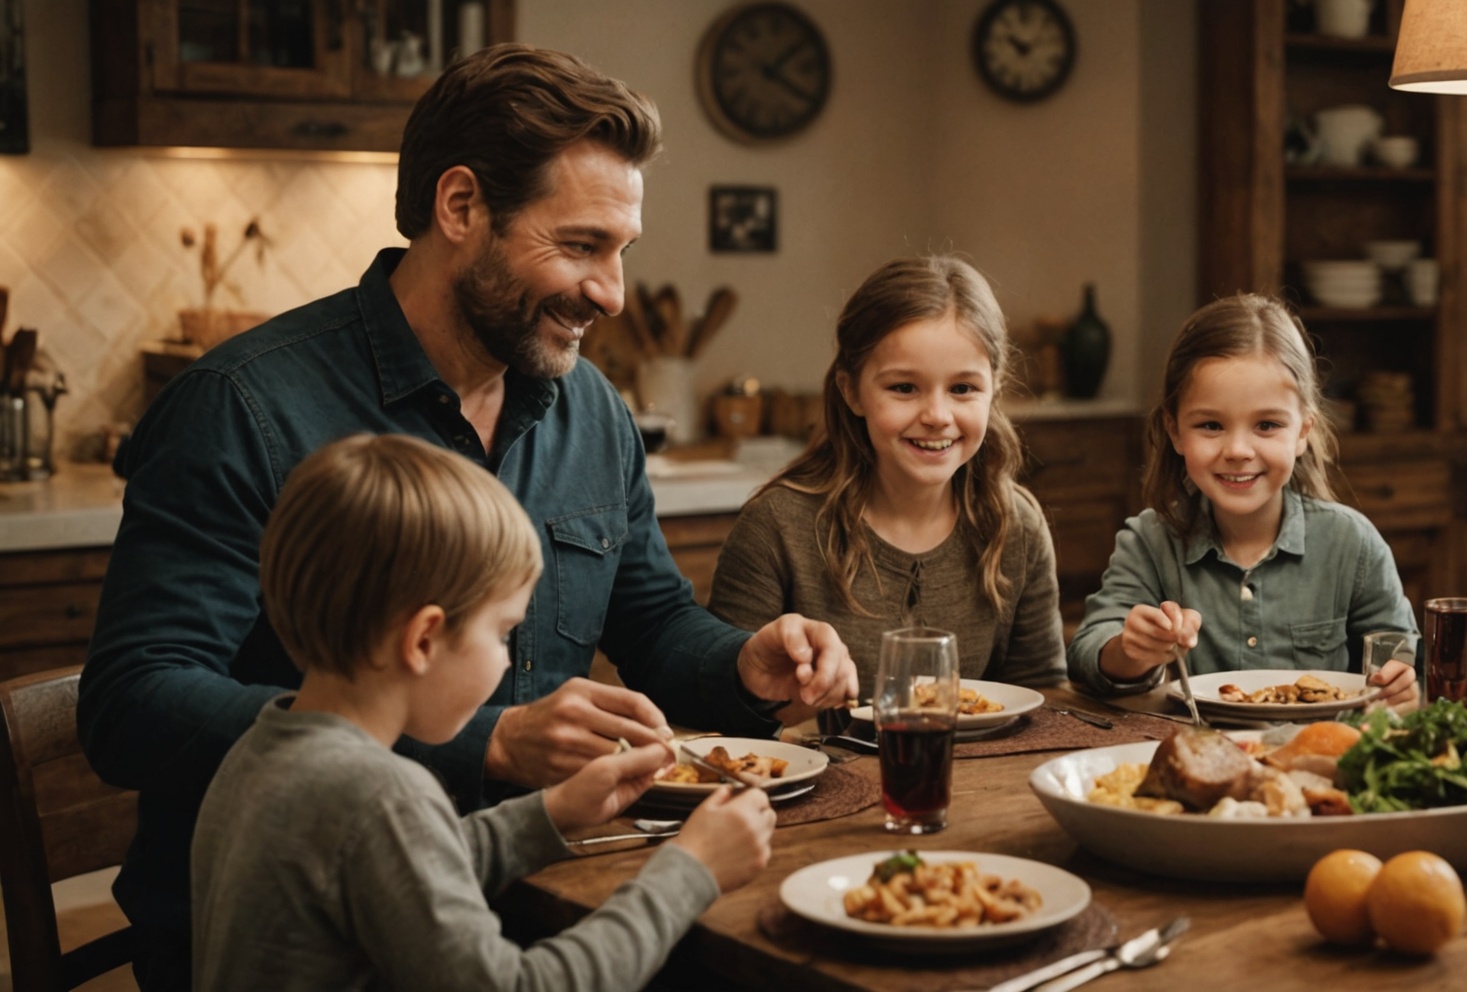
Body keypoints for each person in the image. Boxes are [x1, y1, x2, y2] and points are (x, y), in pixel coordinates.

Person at [78, 44, 853, 990]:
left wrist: (745, 664)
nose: (611, 292)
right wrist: (479, 740)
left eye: (620, 252)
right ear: (460, 209)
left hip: (539, 890)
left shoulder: (591, 410)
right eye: (579, 246)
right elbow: (132, 703)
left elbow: (651, 624)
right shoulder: (244, 407)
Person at [192, 434, 775, 991]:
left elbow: (408, 870)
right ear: (423, 640)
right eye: (502, 634)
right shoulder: (382, 795)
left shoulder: (262, 747)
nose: (505, 662)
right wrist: (688, 869)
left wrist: (551, 813)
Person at [709, 257, 1066, 688]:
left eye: (963, 389)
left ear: (994, 390)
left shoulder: (1016, 525)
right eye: (903, 388)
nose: (937, 415)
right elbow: (722, 702)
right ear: (852, 391)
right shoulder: (776, 527)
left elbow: (1044, 698)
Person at [1070, 294, 1418, 701]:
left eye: (1266, 425)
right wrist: (1131, 651)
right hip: (1196, 753)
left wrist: (1401, 679)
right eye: (1211, 425)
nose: (1238, 450)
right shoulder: (1148, 541)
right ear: (1175, 430)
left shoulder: (1352, 543)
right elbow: (1086, 656)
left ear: (1303, 431)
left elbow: (1401, 653)